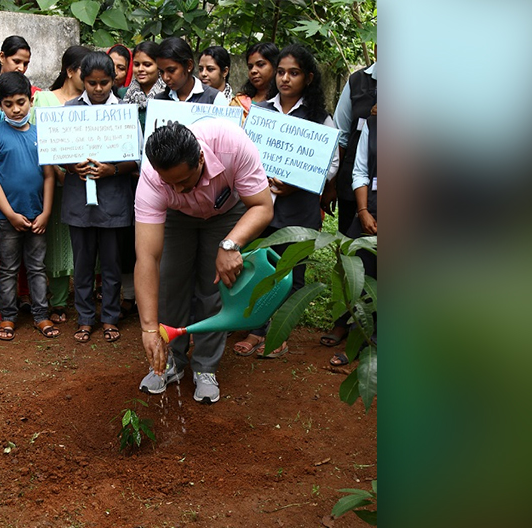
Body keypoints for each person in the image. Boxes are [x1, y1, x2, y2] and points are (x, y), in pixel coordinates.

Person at [135, 120, 273, 404]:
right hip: (177, 217)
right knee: (170, 281)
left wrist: (230, 244)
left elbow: (262, 206)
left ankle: (206, 367)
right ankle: (169, 362)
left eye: (184, 181)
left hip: (226, 213)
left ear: (200, 158)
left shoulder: (233, 146)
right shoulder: (152, 177)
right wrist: (148, 327)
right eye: (169, 183)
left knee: (216, 286)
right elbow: (147, 257)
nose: (178, 189)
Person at [233, 44, 340, 358]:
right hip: (260, 207)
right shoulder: (261, 112)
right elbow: (244, 152)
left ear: (308, 78)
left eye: (294, 73)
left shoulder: (319, 117)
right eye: (280, 72)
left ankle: (278, 333)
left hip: (299, 209)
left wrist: (299, 183)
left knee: (291, 273)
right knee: (260, 269)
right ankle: (256, 328)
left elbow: (332, 162)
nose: (285, 78)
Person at [61, 52, 140, 344]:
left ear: (113, 80)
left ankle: (109, 317)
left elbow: (137, 157)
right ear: (82, 80)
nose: (97, 89)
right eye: (91, 83)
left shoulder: (125, 112)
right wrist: (72, 166)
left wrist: (112, 169)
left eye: (104, 83)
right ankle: (84, 319)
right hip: (78, 199)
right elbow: (56, 151)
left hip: (113, 199)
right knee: (82, 264)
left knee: (111, 263)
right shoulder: (69, 110)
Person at [0, 72, 59, 340]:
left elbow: (50, 176)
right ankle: (8, 316)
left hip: (37, 214)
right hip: (6, 217)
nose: (16, 109)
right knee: (8, 268)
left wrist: (47, 212)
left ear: (31, 100)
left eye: (21, 102)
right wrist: (10, 214)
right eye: (8, 104)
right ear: (0, 105)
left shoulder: (42, 134)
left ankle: (41, 315)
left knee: (37, 266)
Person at [28, 45, 92, 325]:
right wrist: (57, 171)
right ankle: (58, 301)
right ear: (70, 71)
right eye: (84, 71)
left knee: (83, 241)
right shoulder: (43, 100)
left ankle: (86, 296)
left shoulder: (92, 102)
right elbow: (36, 141)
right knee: (55, 241)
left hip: (86, 183)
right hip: (53, 184)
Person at [319, 45, 377, 354]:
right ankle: (342, 318)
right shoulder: (357, 82)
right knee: (349, 254)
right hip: (354, 181)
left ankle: (371, 325)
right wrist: (330, 185)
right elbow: (340, 134)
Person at [0, 35, 33, 328]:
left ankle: (24, 298)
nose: (21, 67)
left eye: (26, 63)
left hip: (17, 189)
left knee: (22, 250)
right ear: (2, 56)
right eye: (17, 61)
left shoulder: (29, 97)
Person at [153, 37, 228, 105]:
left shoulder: (215, 99)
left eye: (171, 70)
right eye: (161, 72)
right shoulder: (159, 101)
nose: (165, 77)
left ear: (189, 65)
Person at [229, 42, 279, 120]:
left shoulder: (284, 103)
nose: (253, 71)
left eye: (260, 65)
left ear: (275, 66)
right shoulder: (239, 103)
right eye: (250, 67)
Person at [123, 41, 166, 130]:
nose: (140, 69)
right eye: (136, 65)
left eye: (147, 65)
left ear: (159, 66)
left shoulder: (169, 94)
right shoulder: (123, 93)